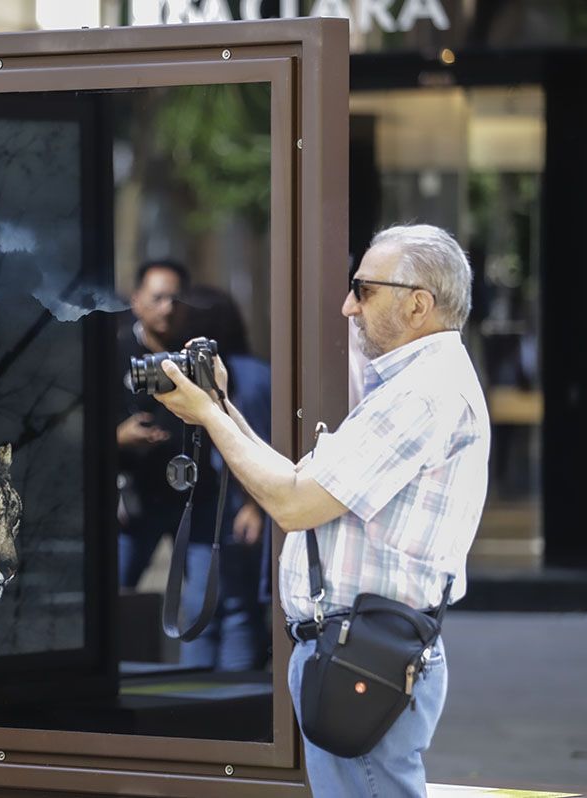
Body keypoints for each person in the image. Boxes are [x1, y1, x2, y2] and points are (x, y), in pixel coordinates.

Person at [154, 224, 490, 796]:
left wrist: (211, 418)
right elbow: (299, 482)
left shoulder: (422, 394)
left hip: (364, 657)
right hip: (357, 654)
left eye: (363, 290)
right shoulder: (411, 386)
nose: (346, 306)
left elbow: (291, 503)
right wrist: (222, 407)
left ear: (418, 304)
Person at [117, 260, 270, 671]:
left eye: (175, 299)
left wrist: (251, 502)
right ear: (136, 302)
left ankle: (201, 702)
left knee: (207, 605)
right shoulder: (113, 351)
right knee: (110, 600)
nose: (167, 308)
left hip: (197, 496)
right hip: (133, 502)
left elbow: (234, 432)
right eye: (157, 298)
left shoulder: (199, 355)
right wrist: (119, 438)